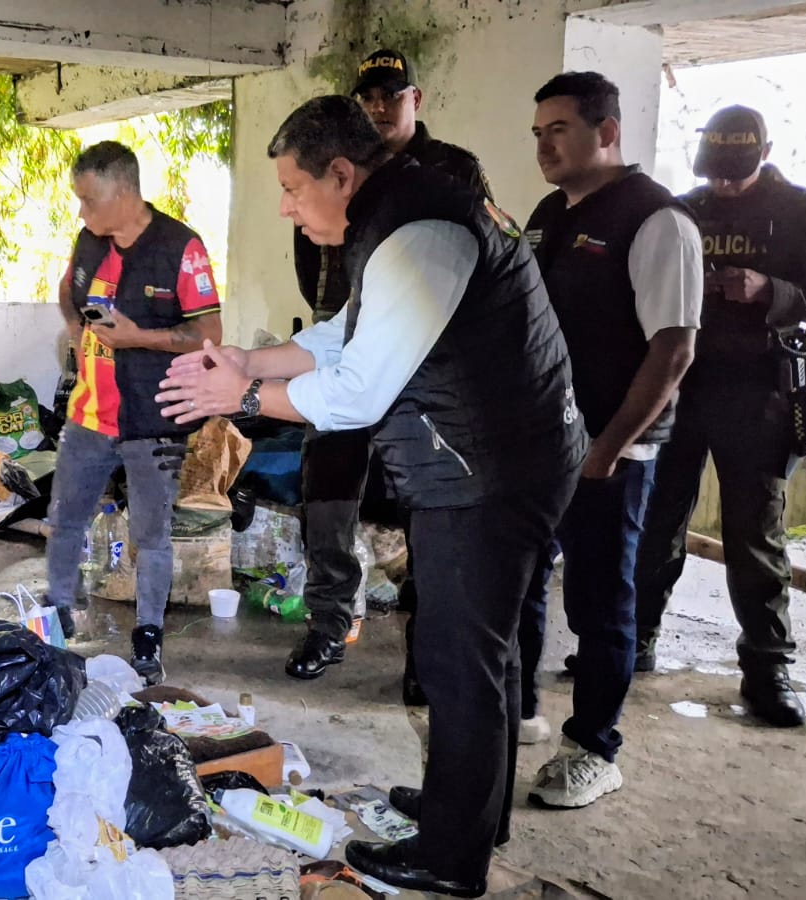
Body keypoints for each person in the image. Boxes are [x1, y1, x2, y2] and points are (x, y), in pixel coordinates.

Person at [157, 95, 584, 898]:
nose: (285, 205)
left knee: (458, 663)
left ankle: (451, 859)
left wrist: (240, 402)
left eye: (292, 187)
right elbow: (342, 333)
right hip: (503, 456)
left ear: (341, 174)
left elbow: (353, 393)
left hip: (490, 473)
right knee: (477, 656)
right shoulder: (402, 210)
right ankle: (471, 808)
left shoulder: (419, 232)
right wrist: (249, 365)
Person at [286, 48, 494, 700]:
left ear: (416, 101)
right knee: (329, 482)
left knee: (425, 500)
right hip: (353, 328)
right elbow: (318, 263)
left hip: (430, 361)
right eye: (368, 97)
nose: (379, 107)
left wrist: (247, 389)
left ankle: (424, 651)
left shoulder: (450, 172)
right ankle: (328, 619)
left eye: (391, 96)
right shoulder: (336, 179)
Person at [635, 105, 806, 726]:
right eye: (715, 175)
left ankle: (767, 668)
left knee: (754, 535)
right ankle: (637, 640)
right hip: (678, 384)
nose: (723, 186)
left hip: (758, 392)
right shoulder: (683, 209)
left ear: (765, 152)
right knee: (656, 521)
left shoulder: (802, 213)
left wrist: (770, 291)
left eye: (735, 175)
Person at [521, 72, 701, 809]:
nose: (545, 146)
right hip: (540, 442)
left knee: (601, 603)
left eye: (558, 129)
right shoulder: (545, 214)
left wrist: (608, 447)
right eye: (538, 133)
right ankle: (520, 713)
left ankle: (595, 746)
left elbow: (674, 350)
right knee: (522, 581)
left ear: (608, 131)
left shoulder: (657, 221)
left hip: (610, 453)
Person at [46, 141, 223, 686]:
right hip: (89, 417)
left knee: (152, 534)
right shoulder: (89, 242)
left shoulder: (180, 248)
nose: (82, 212)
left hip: (155, 419)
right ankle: (57, 622)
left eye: (89, 200)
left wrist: (136, 337)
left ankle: (148, 635)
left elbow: (210, 336)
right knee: (63, 520)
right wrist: (77, 334)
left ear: (123, 192)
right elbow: (67, 290)